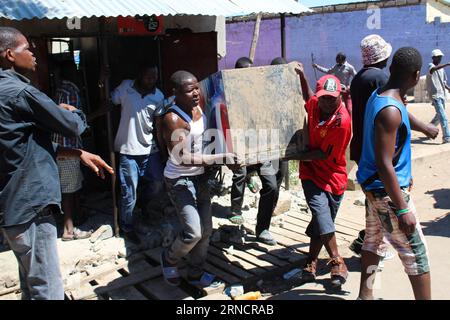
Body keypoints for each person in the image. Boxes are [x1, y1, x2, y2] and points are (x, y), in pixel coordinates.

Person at [0, 27, 114, 300]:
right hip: (32, 209)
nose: (34, 54)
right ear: (9, 55)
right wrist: (72, 113)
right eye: (27, 48)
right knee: (47, 289)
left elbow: (22, 147)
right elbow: (72, 127)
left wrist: (77, 154)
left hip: (13, 211)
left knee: (31, 283)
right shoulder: (20, 92)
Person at [349, 35, 438, 257]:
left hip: (363, 151)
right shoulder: (380, 79)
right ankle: (371, 241)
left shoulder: (359, 77)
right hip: (381, 155)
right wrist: (426, 128)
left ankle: (370, 253)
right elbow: (396, 112)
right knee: (416, 253)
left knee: (374, 218)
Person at [357, 47, 431, 300]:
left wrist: (424, 127)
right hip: (387, 193)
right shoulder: (390, 111)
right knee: (416, 255)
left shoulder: (380, 95)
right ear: (416, 75)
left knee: (373, 242)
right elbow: (384, 163)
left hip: (374, 187)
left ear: (391, 69)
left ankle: (365, 296)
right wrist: (402, 209)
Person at [159, 70, 239, 286]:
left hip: (200, 178)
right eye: (189, 90)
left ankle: (195, 272)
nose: (195, 93)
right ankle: (169, 258)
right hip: (179, 181)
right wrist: (220, 157)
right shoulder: (172, 119)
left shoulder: (198, 109)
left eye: (196, 87)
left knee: (206, 231)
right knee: (193, 231)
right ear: (175, 92)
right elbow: (182, 157)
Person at [285, 65, 351, 288]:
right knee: (322, 214)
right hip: (311, 173)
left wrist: (294, 155)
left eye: (332, 99)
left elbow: (324, 154)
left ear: (339, 95)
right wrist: (303, 76)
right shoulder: (315, 103)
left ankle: (311, 261)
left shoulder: (343, 122)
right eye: (324, 98)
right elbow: (307, 96)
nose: (327, 103)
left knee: (322, 223)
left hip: (333, 174)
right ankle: (337, 262)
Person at [227, 57, 280, 246]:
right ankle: (235, 210)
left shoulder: (261, 92)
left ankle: (263, 228)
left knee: (272, 186)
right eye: (245, 71)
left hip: (261, 146)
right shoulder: (230, 93)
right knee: (239, 174)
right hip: (240, 145)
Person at [111, 64, 165, 243]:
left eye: (155, 76)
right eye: (149, 75)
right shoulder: (126, 87)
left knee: (157, 184)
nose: (152, 79)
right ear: (140, 75)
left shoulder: (158, 96)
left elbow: (157, 126)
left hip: (150, 150)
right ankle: (127, 226)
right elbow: (111, 101)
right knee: (128, 192)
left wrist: (163, 151)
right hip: (128, 150)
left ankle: (143, 207)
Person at [52, 59, 91, 241]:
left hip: (64, 147)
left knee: (73, 186)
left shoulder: (62, 89)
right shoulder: (70, 90)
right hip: (68, 148)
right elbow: (68, 119)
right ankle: (68, 230)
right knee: (68, 190)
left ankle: (76, 217)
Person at [426, 49, 450, 143]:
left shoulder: (442, 69)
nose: (440, 58)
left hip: (442, 95)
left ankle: (428, 129)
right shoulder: (430, 66)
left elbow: (444, 82)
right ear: (433, 58)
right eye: (438, 57)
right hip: (435, 95)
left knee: (438, 116)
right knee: (443, 116)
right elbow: (433, 70)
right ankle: (447, 137)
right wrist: (447, 64)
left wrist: (448, 89)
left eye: (440, 57)